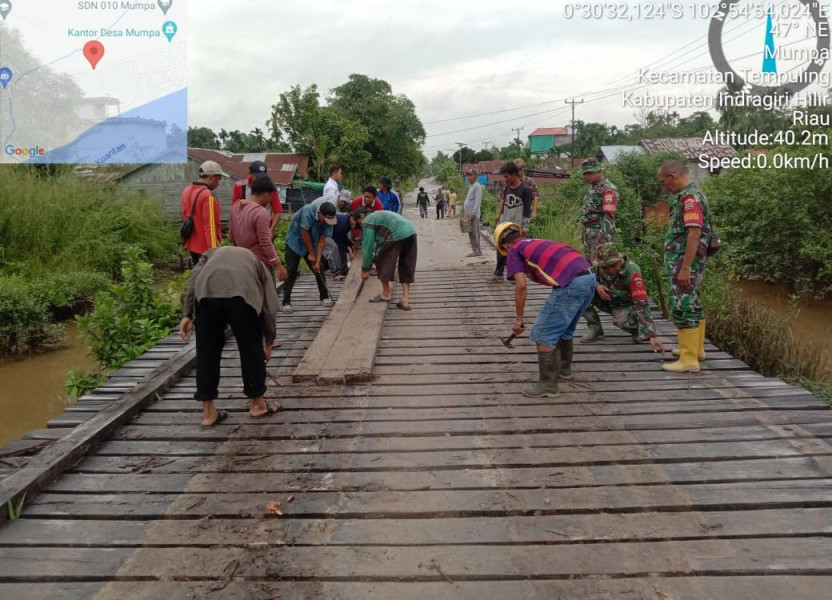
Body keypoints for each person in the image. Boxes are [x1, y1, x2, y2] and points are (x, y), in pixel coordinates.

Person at [179, 246, 279, 428]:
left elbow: (193, 280)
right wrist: (268, 342)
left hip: (207, 297)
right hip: (242, 297)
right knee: (250, 347)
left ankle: (208, 412)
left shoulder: (210, 254)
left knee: (206, 352)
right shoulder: (256, 261)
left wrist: (186, 314)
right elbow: (269, 306)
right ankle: (257, 404)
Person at [496, 222, 595, 398]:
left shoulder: (514, 250)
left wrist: (519, 319)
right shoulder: (536, 242)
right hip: (590, 277)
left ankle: (548, 385)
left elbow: (520, 286)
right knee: (564, 329)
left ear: (504, 246)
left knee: (542, 334)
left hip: (571, 283)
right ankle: (564, 370)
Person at [658, 159, 713, 373]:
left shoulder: (690, 197)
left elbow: (694, 233)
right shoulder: (692, 193)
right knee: (693, 302)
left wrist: (685, 268)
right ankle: (695, 350)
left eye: (663, 182)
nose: (664, 186)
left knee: (683, 306)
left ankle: (688, 360)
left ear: (672, 176)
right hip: (689, 261)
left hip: (684, 262)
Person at [581, 244, 665, 355]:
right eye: (605, 267)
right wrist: (597, 286)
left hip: (628, 305)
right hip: (608, 301)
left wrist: (651, 335)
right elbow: (586, 276)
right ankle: (596, 330)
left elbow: (641, 303)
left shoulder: (632, 271)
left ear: (620, 260)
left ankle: (637, 330)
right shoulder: (598, 267)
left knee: (621, 321)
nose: (610, 270)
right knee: (581, 291)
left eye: (613, 265)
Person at [282, 201, 338, 314]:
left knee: (319, 268)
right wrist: (311, 254)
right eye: (325, 219)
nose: (326, 222)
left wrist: (317, 260)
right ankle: (286, 303)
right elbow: (304, 233)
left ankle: (324, 297)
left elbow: (322, 241)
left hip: (313, 242)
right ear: (320, 213)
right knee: (291, 271)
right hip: (295, 242)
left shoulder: (329, 221)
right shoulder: (308, 211)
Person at [229, 175, 289, 281]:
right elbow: (265, 242)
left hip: (242, 261)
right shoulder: (260, 213)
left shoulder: (236, 207)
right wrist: (278, 265)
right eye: (271, 197)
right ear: (266, 195)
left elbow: (231, 237)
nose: (270, 201)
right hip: (260, 264)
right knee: (267, 291)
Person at [361, 210, 417, 311]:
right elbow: (381, 242)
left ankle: (386, 294)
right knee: (406, 264)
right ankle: (405, 300)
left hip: (397, 233)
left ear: (361, 216)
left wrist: (365, 269)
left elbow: (368, 247)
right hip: (411, 231)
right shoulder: (379, 216)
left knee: (381, 261)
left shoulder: (367, 221)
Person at [493, 161, 534, 281]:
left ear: (513, 175)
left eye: (506, 176)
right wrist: (500, 219)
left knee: (515, 250)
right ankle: (499, 272)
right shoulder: (507, 188)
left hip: (517, 226)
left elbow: (527, 210)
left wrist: (525, 227)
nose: (505, 179)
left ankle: (514, 275)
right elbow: (504, 204)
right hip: (505, 224)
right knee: (501, 247)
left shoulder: (525, 189)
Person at [181, 160, 225, 267]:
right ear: (212, 177)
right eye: (219, 179)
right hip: (205, 248)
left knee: (197, 274)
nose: (218, 183)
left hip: (192, 244)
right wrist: (214, 251)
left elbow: (185, 216)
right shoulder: (207, 196)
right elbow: (210, 227)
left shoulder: (186, 191)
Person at [579, 159, 619, 262]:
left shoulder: (608, 189)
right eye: (585, 173)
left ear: (599, 171)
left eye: (590, 173)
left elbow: (609, 217)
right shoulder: (592, 187)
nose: (587, 176)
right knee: (589, 265)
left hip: (599, 235)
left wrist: (602, 241)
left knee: (599, 264)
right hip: (589, 234)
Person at [231, 160, 283, 232]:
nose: (260, 179)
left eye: (263, 176)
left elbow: (277, 211)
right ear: (250, 174)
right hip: (245, 227)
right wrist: (233, 229)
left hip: (264, 226)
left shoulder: (270, 187)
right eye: (257, 176)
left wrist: (271, 229)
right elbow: (235, 209)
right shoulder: (240, 186)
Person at [330, 209, 368, 280]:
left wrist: (350, 244)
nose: (354, 225)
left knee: (343, 248)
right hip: (330, 237)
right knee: (341, 250)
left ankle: (343, 270)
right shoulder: (344, 224)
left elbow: (343, 236)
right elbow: (338, 240)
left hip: (336, 236)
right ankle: (341, 271)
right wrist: (348, 250)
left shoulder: (348, 222)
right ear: (352, 218)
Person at [463, 169, 483, 257]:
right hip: (468, 214)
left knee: (475, 233)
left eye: (470, 175)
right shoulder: (471, 186)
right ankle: (474, 250)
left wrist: (473, 214)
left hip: (473, 215)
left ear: (475, 176)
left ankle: (477, 250)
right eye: (468, 175)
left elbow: (478, 201)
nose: (468, 177)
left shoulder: (477, 186)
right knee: (470, 233)